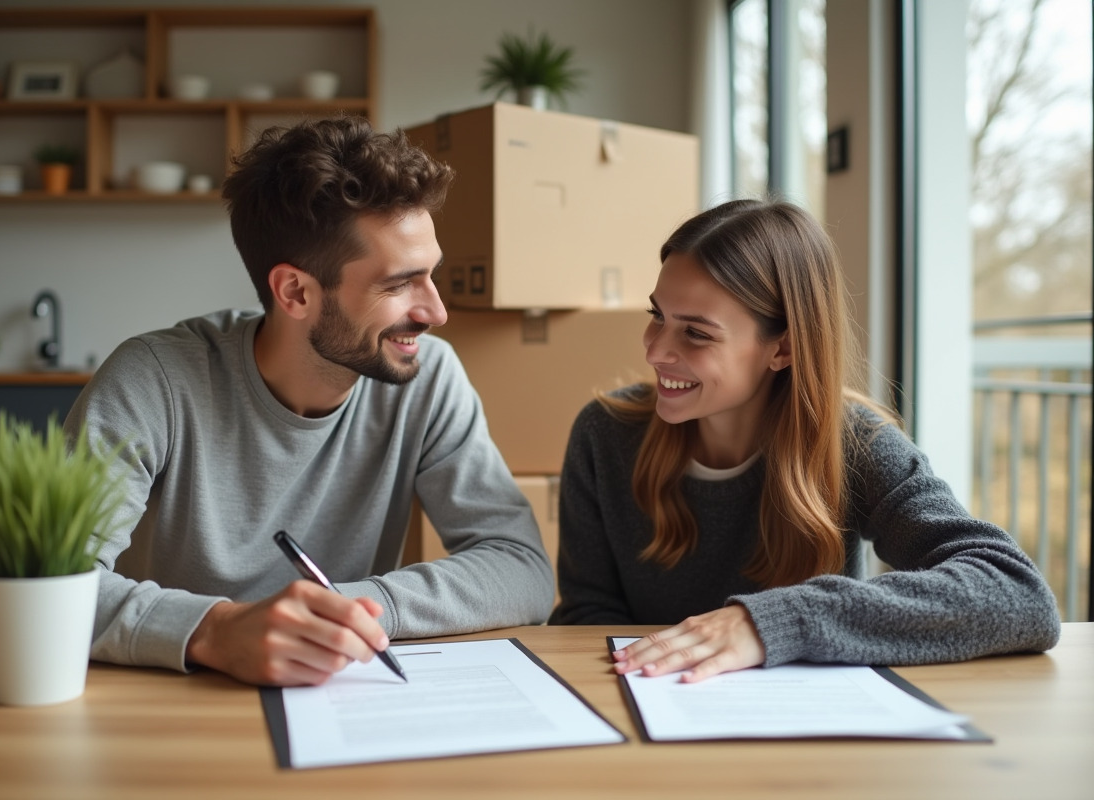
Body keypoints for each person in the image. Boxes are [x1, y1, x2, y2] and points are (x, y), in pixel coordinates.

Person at [65, 117, 554, 687]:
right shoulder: (153, 380)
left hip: (337, 700)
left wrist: (349, 610)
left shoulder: (429, 376)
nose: (436, 312)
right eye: (399, 284)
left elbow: (522, 570)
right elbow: (32, 586)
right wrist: (218, 630)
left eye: (432, 277)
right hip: (168, 704)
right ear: (296, 291)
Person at [548, 198, 1061, 682]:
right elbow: (587, 617)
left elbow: (1017, 593)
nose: (656, 350)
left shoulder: (856, 444)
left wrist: (773, 622)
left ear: (783, 348)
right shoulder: (604, 433)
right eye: (657, 315)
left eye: (696, 333)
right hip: (650, 711)